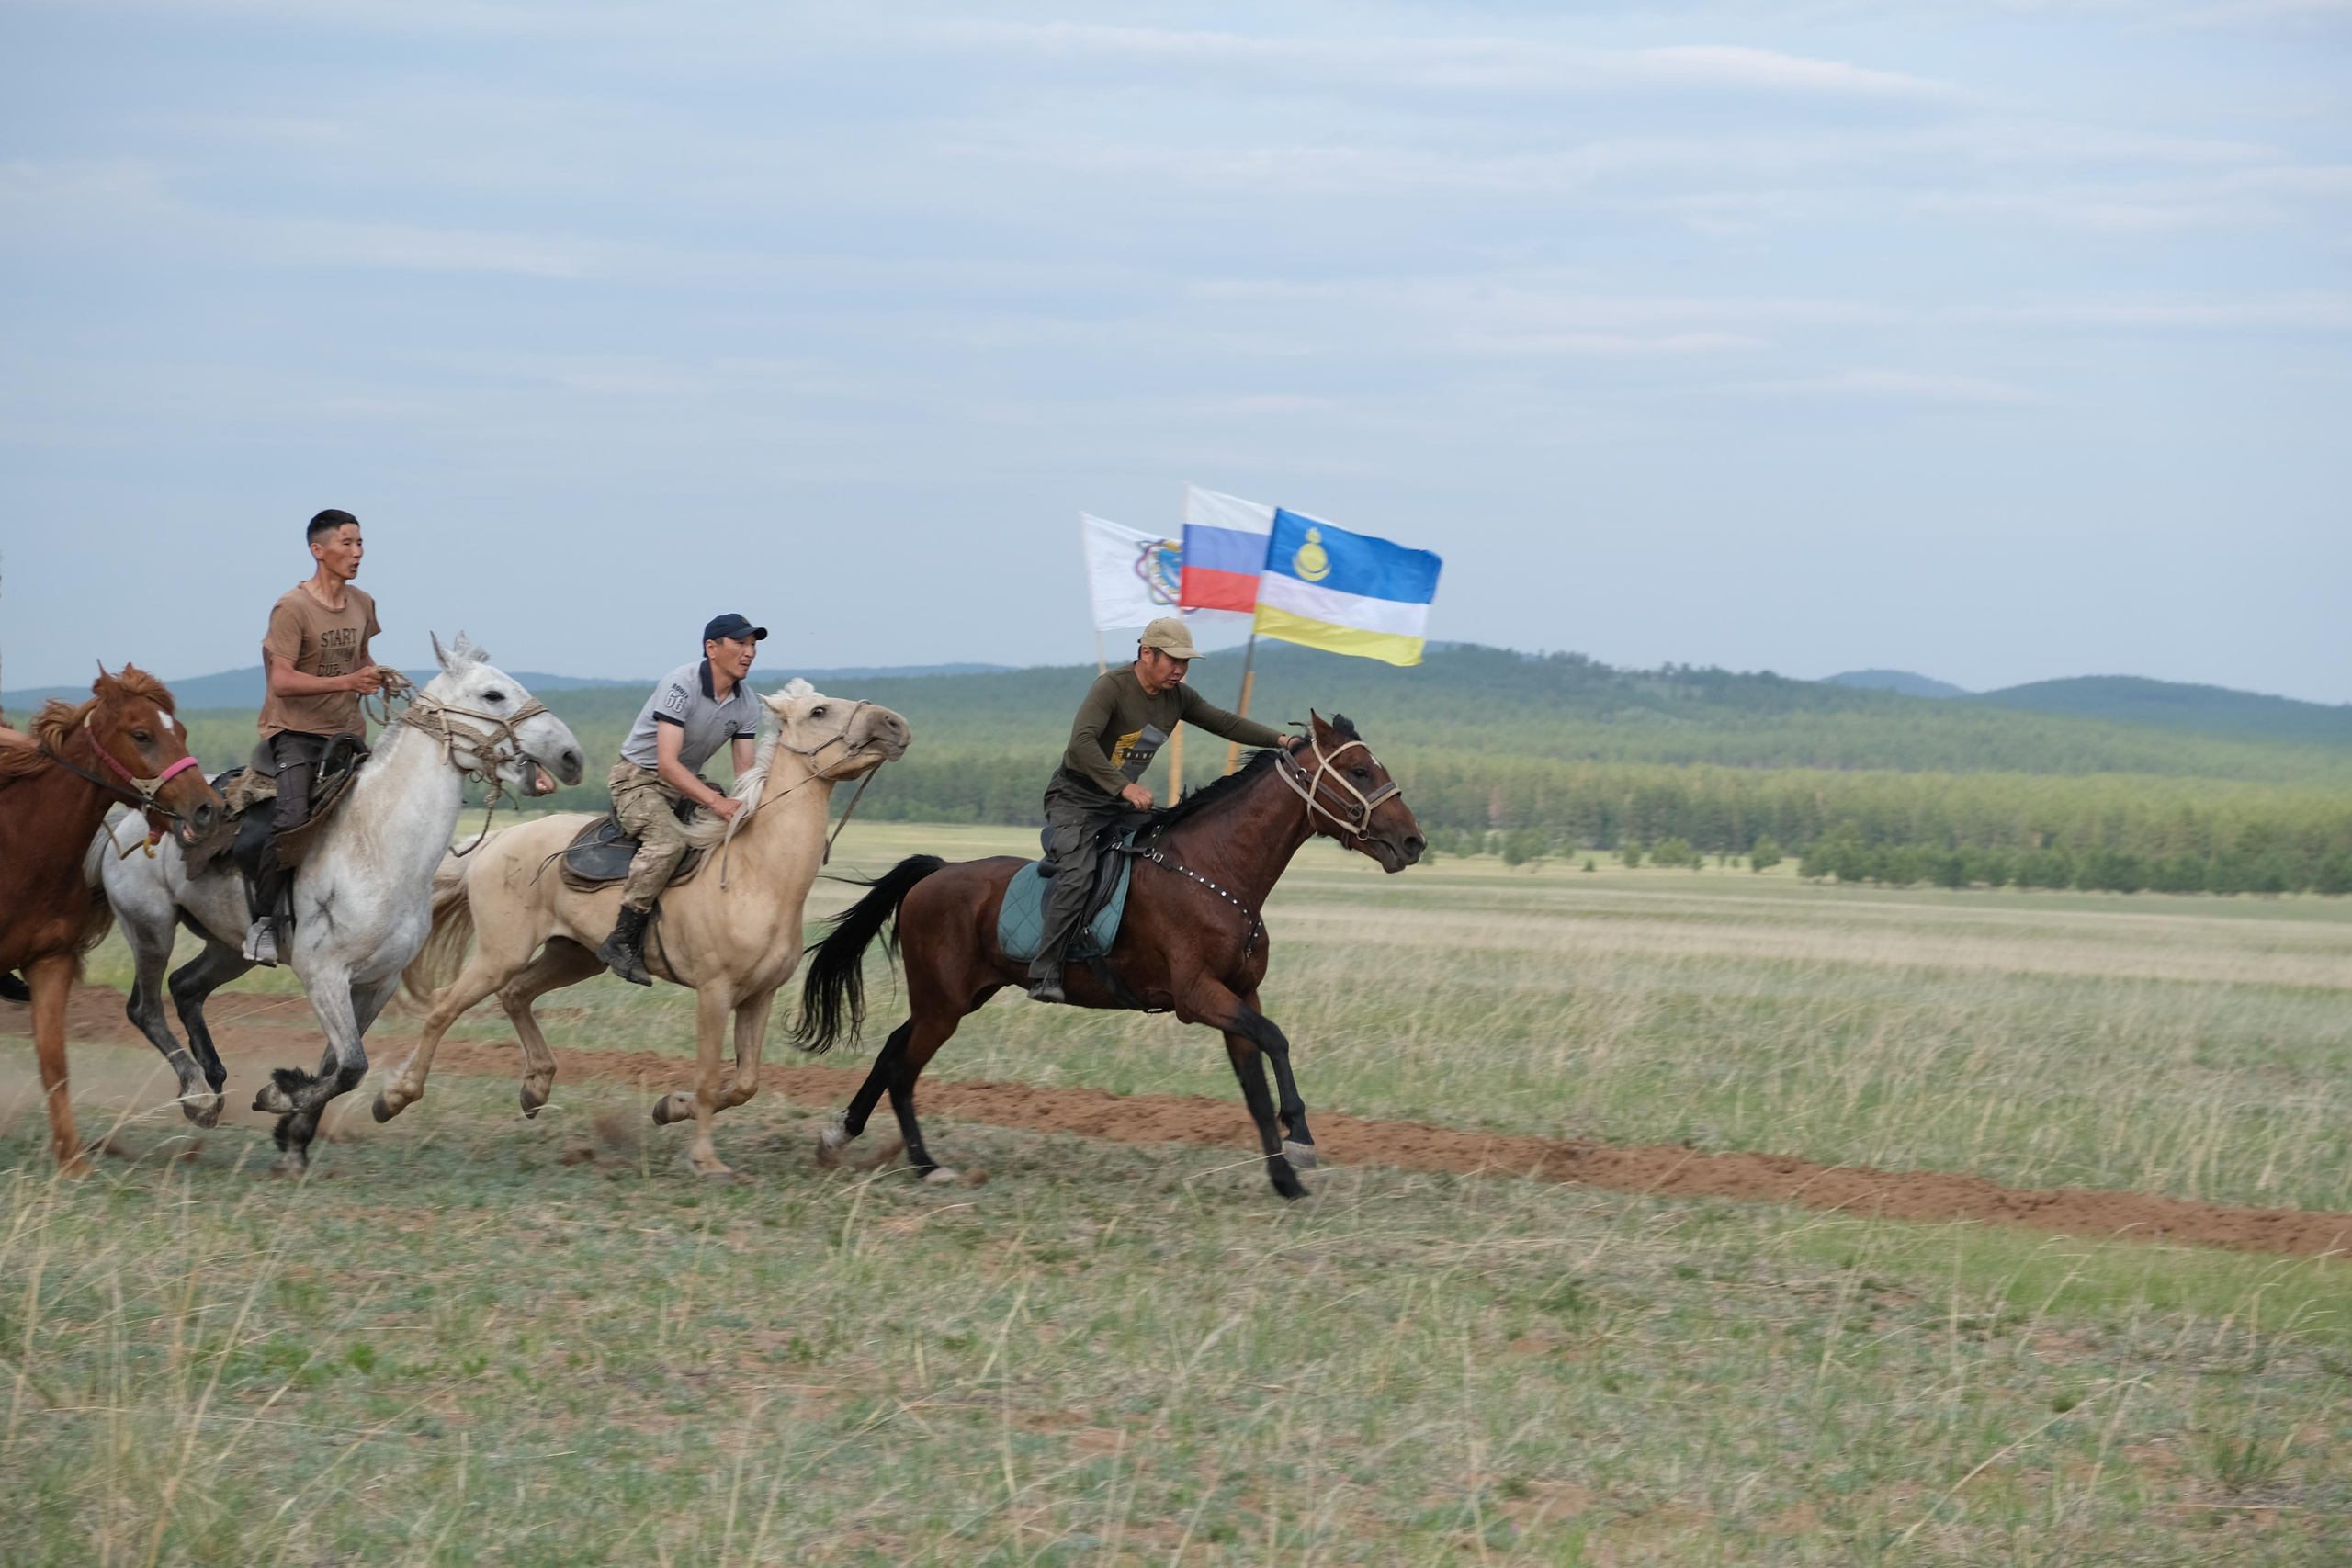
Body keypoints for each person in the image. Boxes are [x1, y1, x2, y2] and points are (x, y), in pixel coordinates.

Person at [1026, 616, 1286, 1004]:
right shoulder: (1112, 687)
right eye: (1173, 661)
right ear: (1147, 653)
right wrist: (1125, 786)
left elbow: (1224, 722)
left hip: (1119, 804)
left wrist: (1282, 739)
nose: (1180, 670)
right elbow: (1081, 743)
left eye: (1186, 663)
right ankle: (1044, 969)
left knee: (1166, 853)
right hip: (1075, 800)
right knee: (1079, 874)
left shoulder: (1177, 696)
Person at [239, 508, 388, 964]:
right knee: (291, 819)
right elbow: (281, 682)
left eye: (360, 543)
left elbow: (361, 656)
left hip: (348, 735)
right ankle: (263, 923)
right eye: (347, 543)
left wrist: (374, 675)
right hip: (296, 734)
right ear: (318, 551)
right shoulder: (292, 608)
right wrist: (347, 683)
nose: (357, 552)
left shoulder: (363, 602)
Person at [598, 614, 766, 986]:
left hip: (684, 782)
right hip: (638, 779)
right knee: (668, 842)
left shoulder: (747, 703)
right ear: (712, 648)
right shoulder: (680, 684)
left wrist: (754, 809)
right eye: (740, 643)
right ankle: (623, 940)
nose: (750, 652)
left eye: (753, 645)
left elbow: (746, 774)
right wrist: (718, 804)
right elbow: (667, 764)